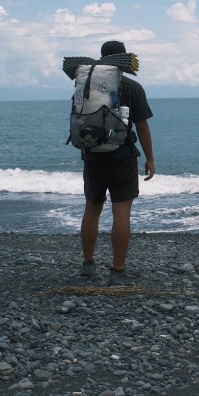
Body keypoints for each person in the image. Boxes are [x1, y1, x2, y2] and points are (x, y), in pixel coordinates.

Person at [78, 40, 156, 286]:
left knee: (92, 208)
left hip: (92, 155)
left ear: (101, 57)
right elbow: (142, 125)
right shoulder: (132, 86)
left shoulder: (86, 84)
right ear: (123, 58)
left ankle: (88, 265)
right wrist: (150, 159)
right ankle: (117, 270)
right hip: (122, 156)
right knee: (121, 212)